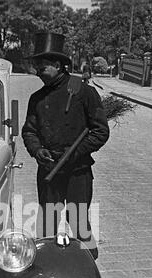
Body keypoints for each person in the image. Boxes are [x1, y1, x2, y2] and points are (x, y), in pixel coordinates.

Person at [22, 32, 110, 259]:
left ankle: (89, 265)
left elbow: (100, 131)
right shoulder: (37, 97)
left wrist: (73, 154)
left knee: (79, 222)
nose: (38, 70)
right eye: (37, 65)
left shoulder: (82, 90)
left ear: (59, 65)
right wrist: (37, 150)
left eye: (43, 65)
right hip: (48, 170)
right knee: (47, 225)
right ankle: (47, 264)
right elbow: (29, 131)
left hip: (77, 172)